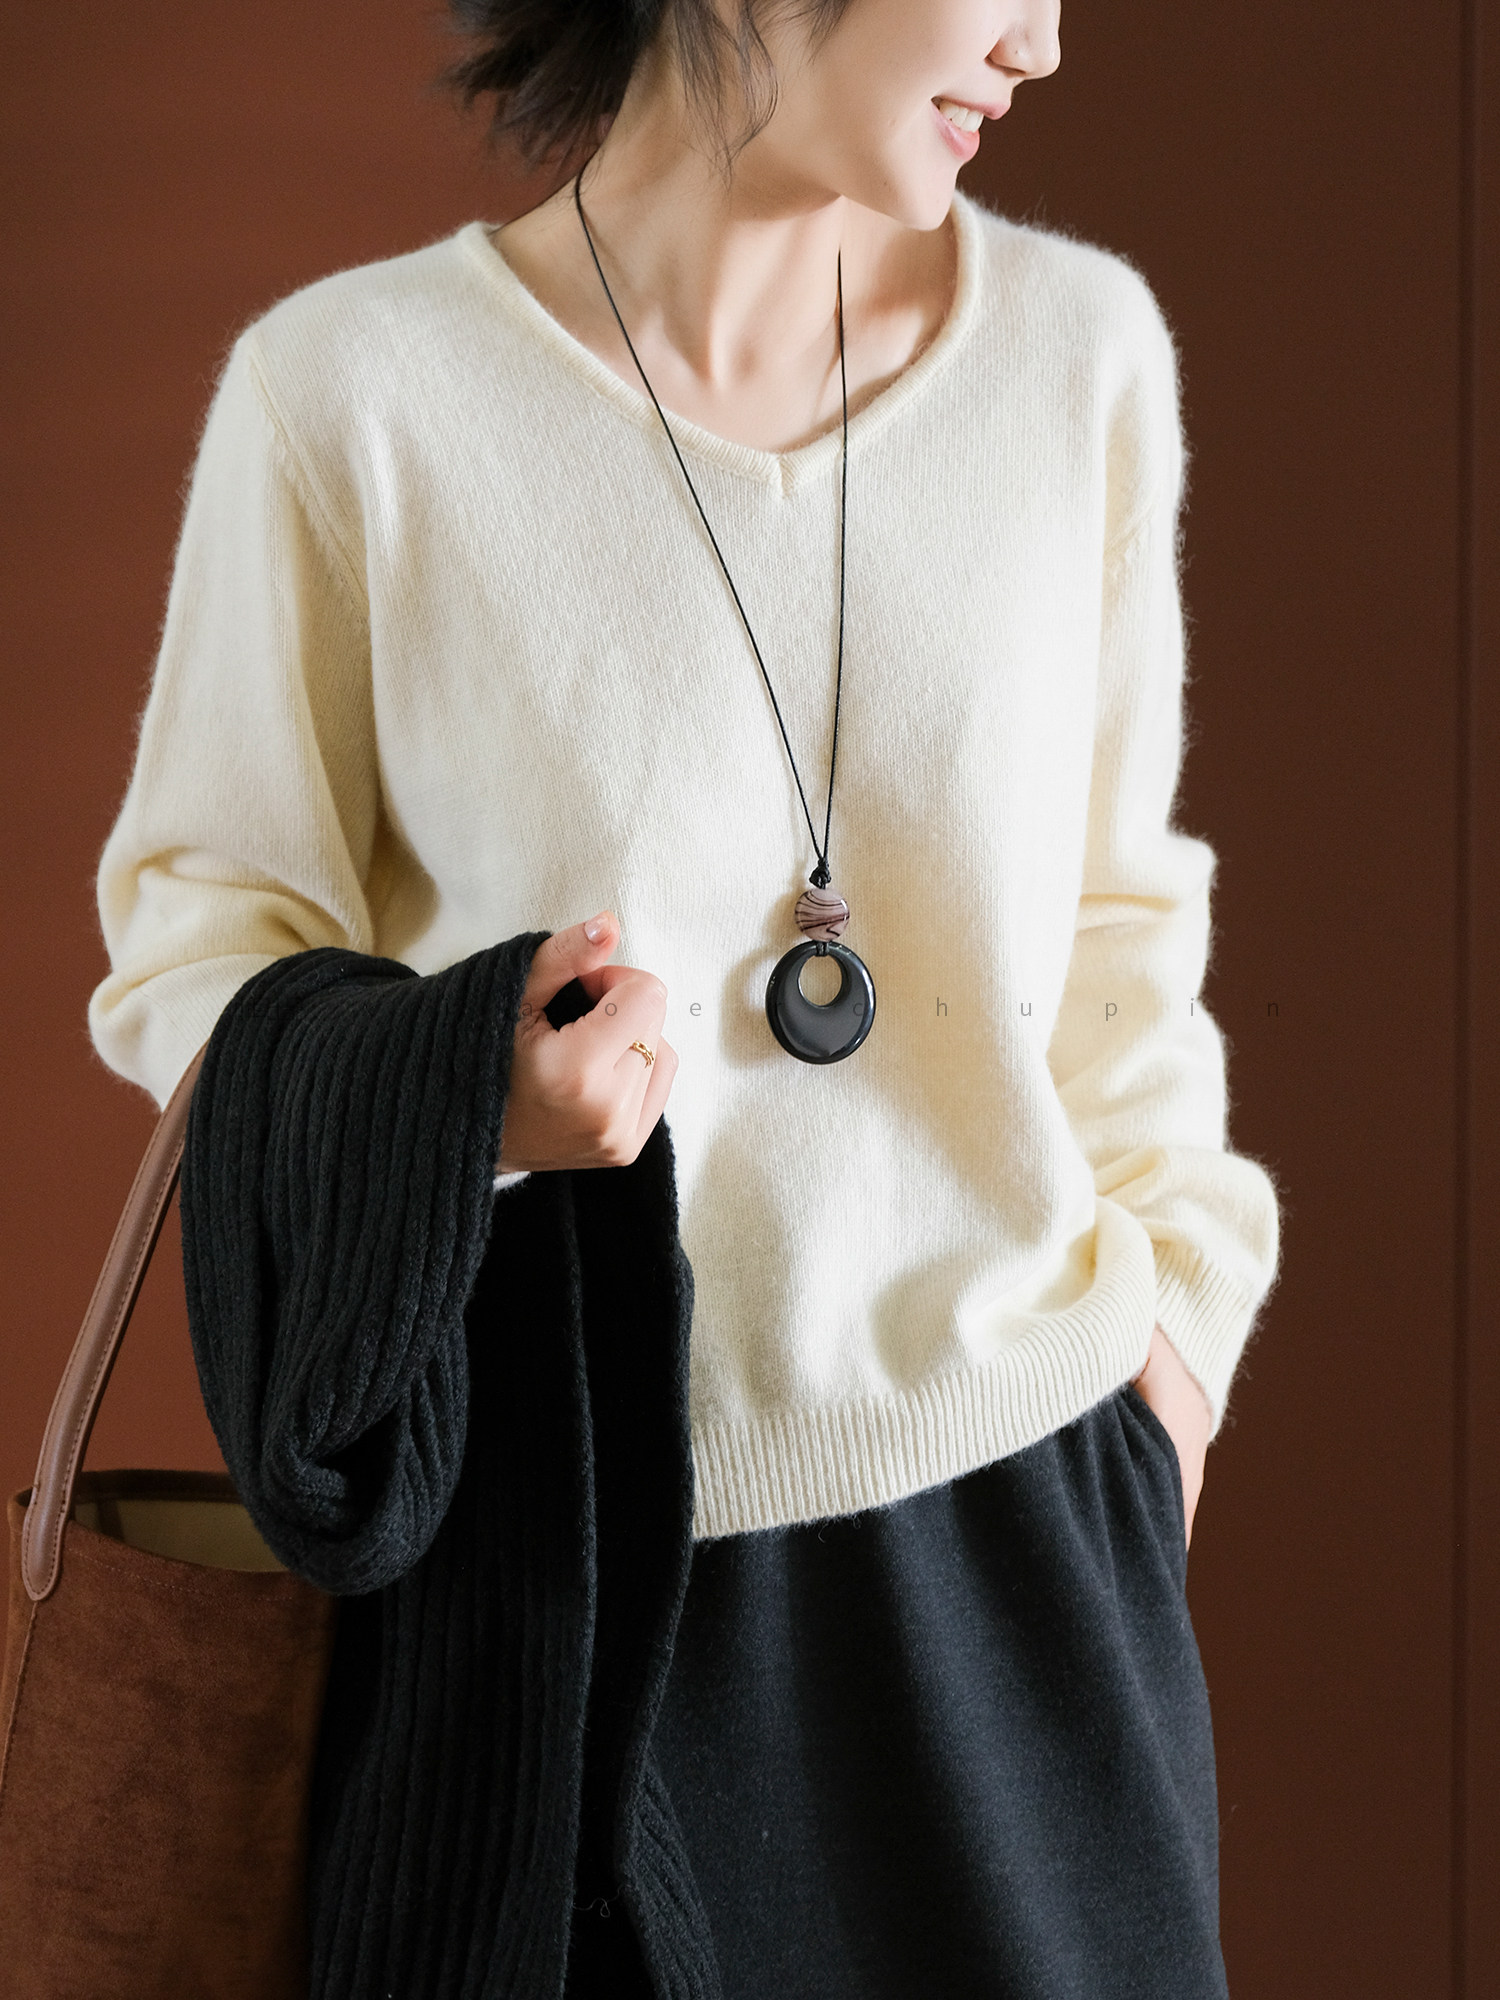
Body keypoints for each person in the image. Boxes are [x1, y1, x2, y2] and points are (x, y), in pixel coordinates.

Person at [89, 1, 1282, 1994]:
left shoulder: (1079, 360)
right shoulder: (355, 397)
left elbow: (1120, 928)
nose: (1046, 42)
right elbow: (201, 943)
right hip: (561, 1592)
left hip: (1026, 1550)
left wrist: (1177, 1355)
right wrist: (471, 1106)